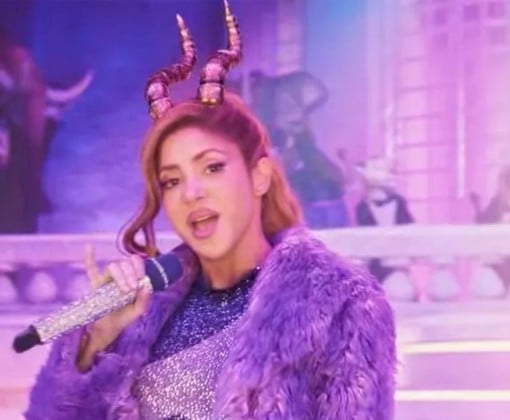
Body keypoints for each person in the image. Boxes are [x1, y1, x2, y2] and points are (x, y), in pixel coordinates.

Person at [25, 2, 396, 419]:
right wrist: (96, 341)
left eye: (212, 168)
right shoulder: (143, 310)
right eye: (171, 180)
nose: (191, 192)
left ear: (259, 177)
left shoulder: (341, 305)